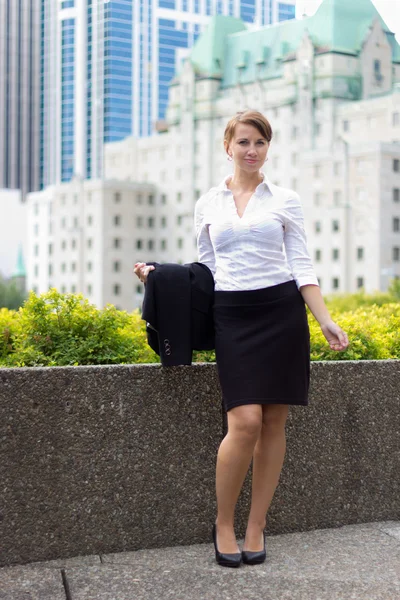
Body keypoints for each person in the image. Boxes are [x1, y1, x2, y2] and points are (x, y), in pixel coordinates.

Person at [134, 109, 349, 568]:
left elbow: (301, 265)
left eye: (261, 143)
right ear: (227, 146)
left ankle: (256, 524)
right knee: (245, 421)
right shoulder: (207, 203)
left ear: (268, 148)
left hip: (281, 313)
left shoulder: (285, 199)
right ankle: (224, 523)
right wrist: (158, 279)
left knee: (274, 423)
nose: (252, 151)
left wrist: (324, 320)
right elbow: (205, 271)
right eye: (244, 142)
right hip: (233, 314)